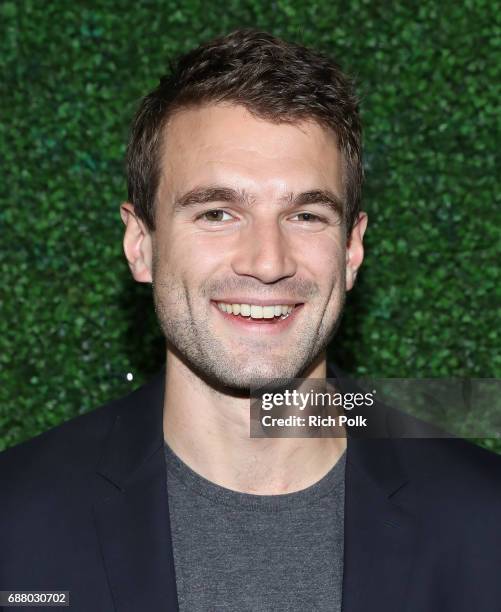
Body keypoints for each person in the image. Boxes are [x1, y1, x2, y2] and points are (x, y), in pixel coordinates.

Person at [1, 28, 500, 612]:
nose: (268, 262)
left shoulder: (486, 523)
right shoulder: (14, 522)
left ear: (352, 250)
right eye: (217, 212)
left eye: (307, 215)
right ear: (141, 244)